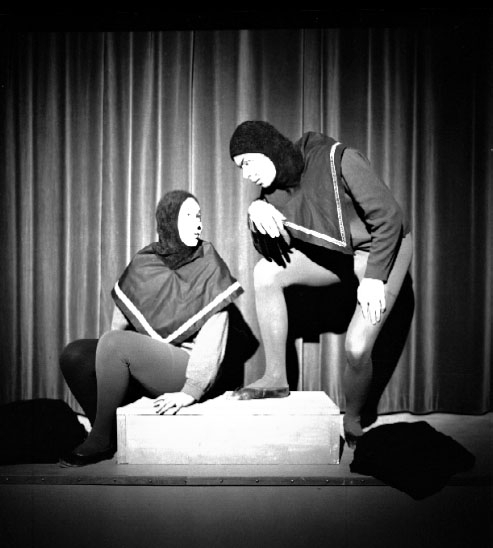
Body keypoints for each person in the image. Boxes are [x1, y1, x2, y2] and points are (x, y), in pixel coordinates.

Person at [229, 120, 413, 447]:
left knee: (357, 347)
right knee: (265, 273)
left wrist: (375, 278)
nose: (246, 174)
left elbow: (390, 219)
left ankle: (353, 418)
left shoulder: (338, 159)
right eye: (240, 168)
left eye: (247, 162)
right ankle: (275, 378)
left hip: (384, 249)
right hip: (341, 255)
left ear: (268, 149)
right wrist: (254, 212)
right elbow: (275, 250)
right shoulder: (270, 193)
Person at [59, 190, 243, 466]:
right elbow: (120, 319)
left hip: (185, 367)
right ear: (168, 221)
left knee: (114, 343)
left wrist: (191, 391)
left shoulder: (209, 264)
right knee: (74, 354)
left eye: (199, 216)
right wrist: (107, 363)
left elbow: (213, 339)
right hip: (147, 362)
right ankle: (109, 430)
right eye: (189, 216)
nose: (198, 224)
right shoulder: (146, 260)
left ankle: (99, 440)